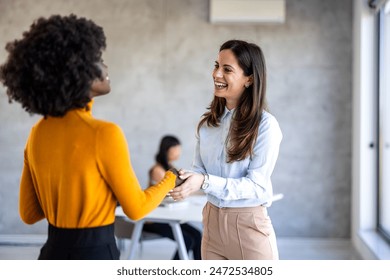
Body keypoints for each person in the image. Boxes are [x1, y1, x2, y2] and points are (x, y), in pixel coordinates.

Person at [0, 14, 178, 260]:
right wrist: (171, 178)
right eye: (98, 59)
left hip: (51, 254)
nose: (105, 67)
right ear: (78, 70)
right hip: (95, 255)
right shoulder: (104, 134)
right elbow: (137, 209)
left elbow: (29, 214)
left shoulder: (37, 133)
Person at [170, 39, 282, 260]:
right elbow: (199, 172)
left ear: (249, 79)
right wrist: (185, 180)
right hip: (211, 224)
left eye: (227, 69)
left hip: (249, 227)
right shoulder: (208, 124)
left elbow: (256, 186)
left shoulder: (266, 125)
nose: (216, 74)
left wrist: (204, 181)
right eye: (216, 65)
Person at [143, 135, 202, 260]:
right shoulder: (157, 170)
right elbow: (173, 192)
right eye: (176, 149)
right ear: (167, 150)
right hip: (154, 219)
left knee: (197, 236)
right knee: (187, 240)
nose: (179, 152)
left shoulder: (170, 168)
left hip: (169, 216)